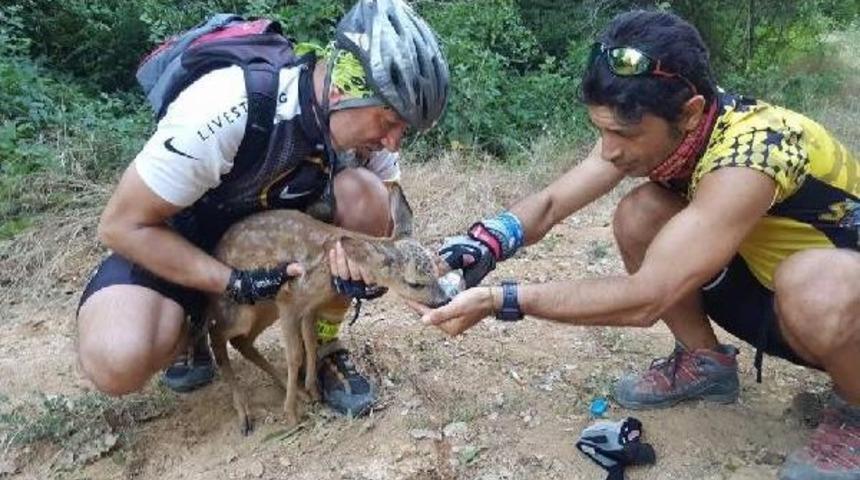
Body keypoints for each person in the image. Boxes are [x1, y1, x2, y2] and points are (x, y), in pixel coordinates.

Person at [413, 10, 858, 480]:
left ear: (690, 112)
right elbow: (550, 204)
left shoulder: (755, 151)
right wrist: (481, 243)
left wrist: (499, 299)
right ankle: (705, 364)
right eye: (601, 130)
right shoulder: (674, 126)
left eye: (623, 134)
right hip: (773, 298)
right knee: (641, 213)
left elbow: (646, 297)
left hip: (834, 307)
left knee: (814, 284)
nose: (608, 150)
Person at [76, 0, 449, 419]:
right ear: (343, 89)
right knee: (117, 359)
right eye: (389, 120)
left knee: (368, 195)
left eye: (404, 129)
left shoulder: (368, 140)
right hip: (184, 237)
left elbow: (389, 239)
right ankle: (194, 325)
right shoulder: (227, 106)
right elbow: (120, 226)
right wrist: (234, 282)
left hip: (266, 242)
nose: (394, 142)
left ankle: (323, 345)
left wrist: (408, 276)